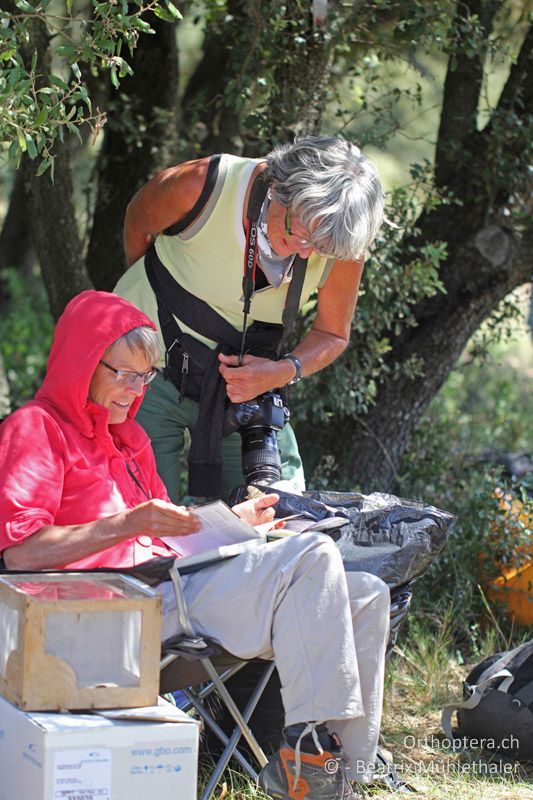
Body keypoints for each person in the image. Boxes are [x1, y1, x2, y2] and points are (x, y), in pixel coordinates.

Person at [0, 290, 389, 800]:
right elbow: (19, 555)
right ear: (81, 363)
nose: (133, 391)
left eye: (144, 378)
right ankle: (306, 757)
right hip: (107, 615)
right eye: (122, 374)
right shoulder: (36, 429)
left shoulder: (130, 440)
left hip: (173, 590)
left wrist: (233, 524)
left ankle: (345, 775)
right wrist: (126, 524)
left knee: (365, 591)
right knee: (313, 558)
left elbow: (165, 536)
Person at [115, 135, 385, 503]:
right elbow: (137, 220)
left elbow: (333, 333)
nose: (306, 251)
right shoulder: (202, 186)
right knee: (139, 510)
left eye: (320, 248)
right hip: (144, 370)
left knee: (276, 512)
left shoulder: (339, 241)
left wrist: (282, 371)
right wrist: (157, 297)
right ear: (277, 189)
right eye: (299, 233)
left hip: (240, 390)